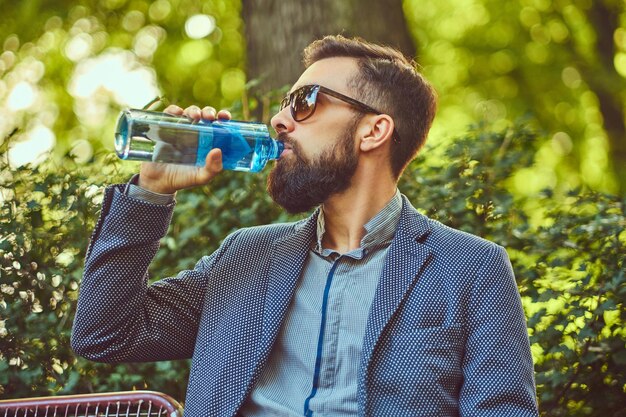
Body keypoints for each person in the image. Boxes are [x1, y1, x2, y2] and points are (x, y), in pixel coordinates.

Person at [71, 35, 539, 417]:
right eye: (284, 104)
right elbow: (105, 333)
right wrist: (152, 191)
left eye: (304, 102)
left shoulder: (470, 268)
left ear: (373, 131)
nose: (278, 119)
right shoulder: (247, 258)